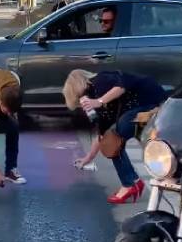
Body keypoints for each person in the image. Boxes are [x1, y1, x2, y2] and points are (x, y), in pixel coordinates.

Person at [64, 69, 167, 204]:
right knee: (111, 141)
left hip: (150, 102)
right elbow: (102, 135)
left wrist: (99, 101)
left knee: (117, 134)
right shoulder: (100, 106)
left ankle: (130, 183)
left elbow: (124, 83)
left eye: (80, 99)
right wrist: (88, 158)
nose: (82, 104)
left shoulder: (100, 80)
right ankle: (139, 180)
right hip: (141, 110)